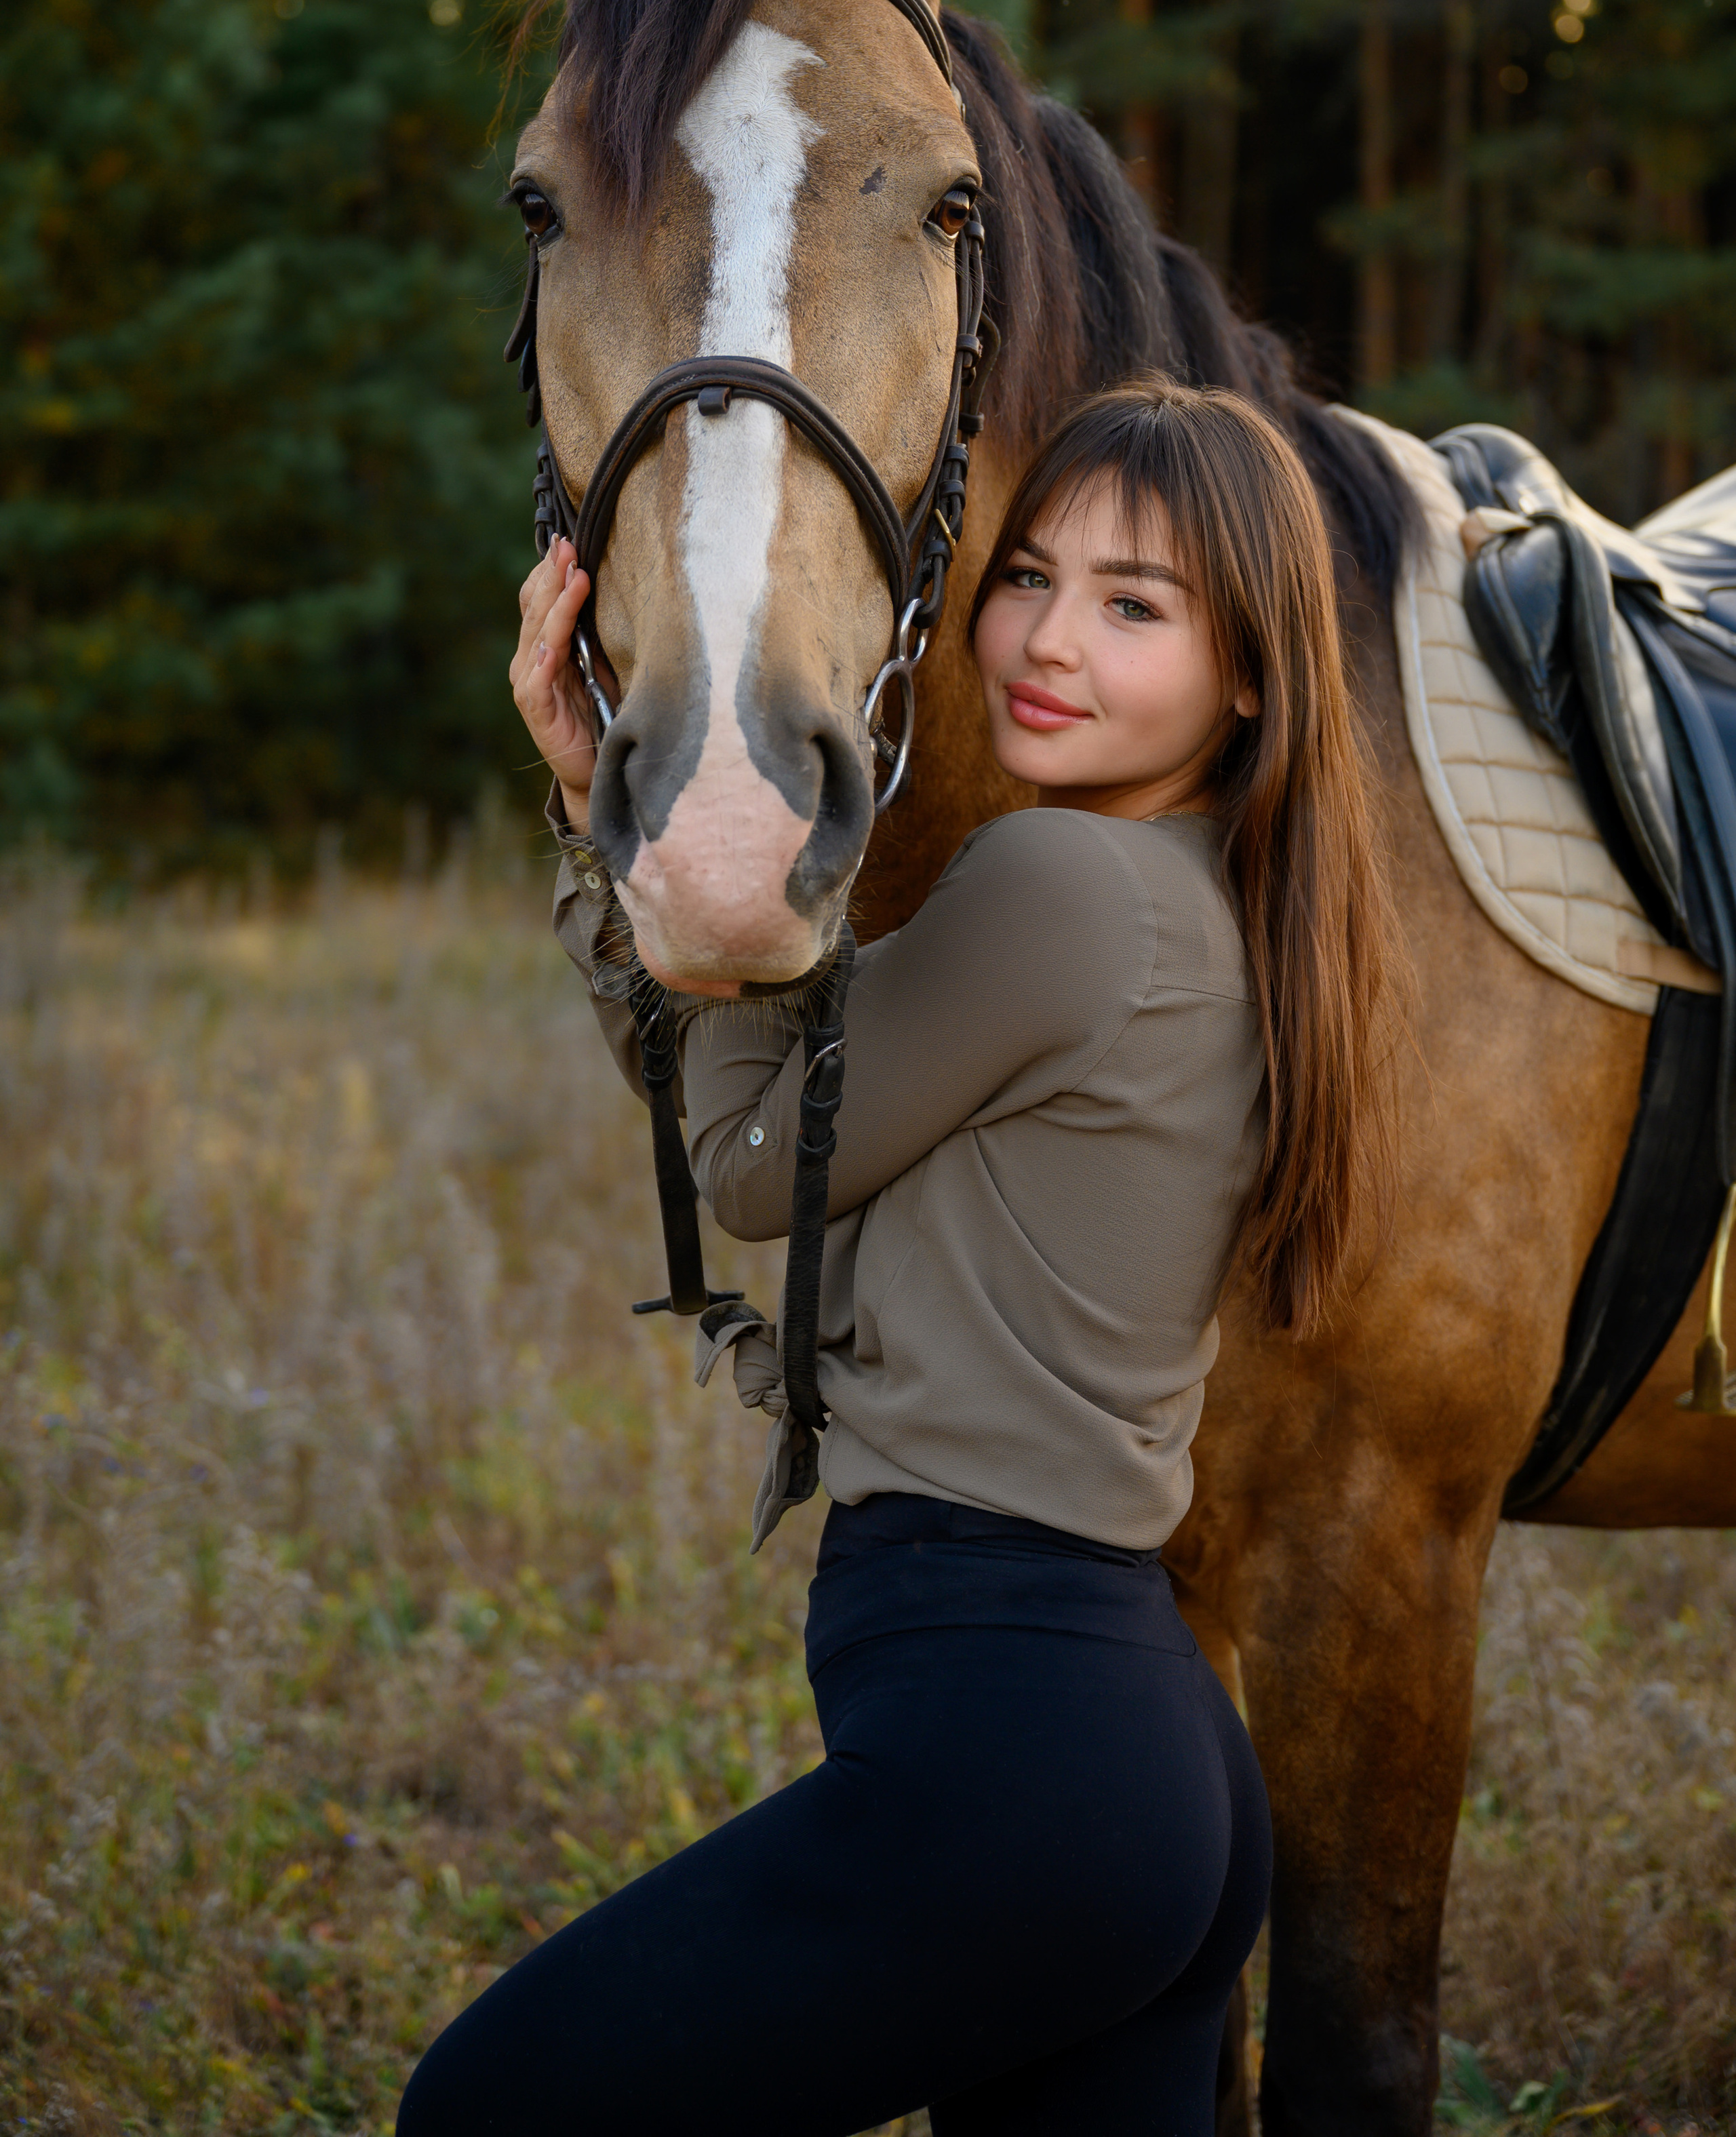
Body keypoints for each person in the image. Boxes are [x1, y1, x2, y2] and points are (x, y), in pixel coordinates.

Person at [397, 377, 1402, 2137]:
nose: (1049, 639)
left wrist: (654, 845)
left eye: (1136, 605)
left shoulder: (1061, 888)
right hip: (1140, 1755)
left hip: (1021, 1743)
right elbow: (803, 1100)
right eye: (1030, 574)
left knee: (489, 2110)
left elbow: (753, 1164)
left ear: (1251, 674)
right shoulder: (1237, 904)